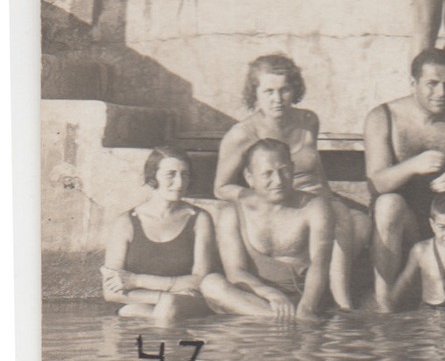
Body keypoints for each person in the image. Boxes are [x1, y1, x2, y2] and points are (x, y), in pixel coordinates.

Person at [212, 53, 369, 310]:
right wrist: (253, 196)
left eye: (284, 90)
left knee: (361, 223)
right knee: (340, 221)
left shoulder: (308, 121)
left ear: (294, 89)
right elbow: (220, 187)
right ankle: (343, 303)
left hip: (315, 200)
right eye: (269, 91)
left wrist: (328, 198)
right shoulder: (241, 134)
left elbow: (316, 169)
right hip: (278, 200)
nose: (277, 99)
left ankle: (327, 291)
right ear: (255, 94)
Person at [364, 48, 445, 306]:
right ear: (413, 83)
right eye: (432, 84)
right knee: (387, 204)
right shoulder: (383, 117)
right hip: (405, 222)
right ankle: (384, 301)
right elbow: (376, 183)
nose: (441, 93)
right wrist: (411, 166)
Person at [201, 139, 337, 320]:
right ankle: (281, 320)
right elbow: (236, 272)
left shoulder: (314, 206)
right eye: (267, 174)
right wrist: (271, 294)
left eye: (284, 171)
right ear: (250, 178)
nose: (278, 180)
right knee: (211, 284)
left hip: (303, 297)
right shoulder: (232, 212)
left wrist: (307, 307)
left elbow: (320, 263)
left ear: (293, 168)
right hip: (258, 298)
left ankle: (283, 319)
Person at [101, 147, 216, 324]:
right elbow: (110, 292)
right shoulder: (125, 223)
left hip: (188, 304)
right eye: (171, 174)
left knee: (157, 307)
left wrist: (137, 280)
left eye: (184, 175)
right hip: (150, 303)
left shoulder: (199, 218)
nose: (179, 183)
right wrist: (163, 296)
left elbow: (201, 281)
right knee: (133, 310)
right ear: (153, 176)